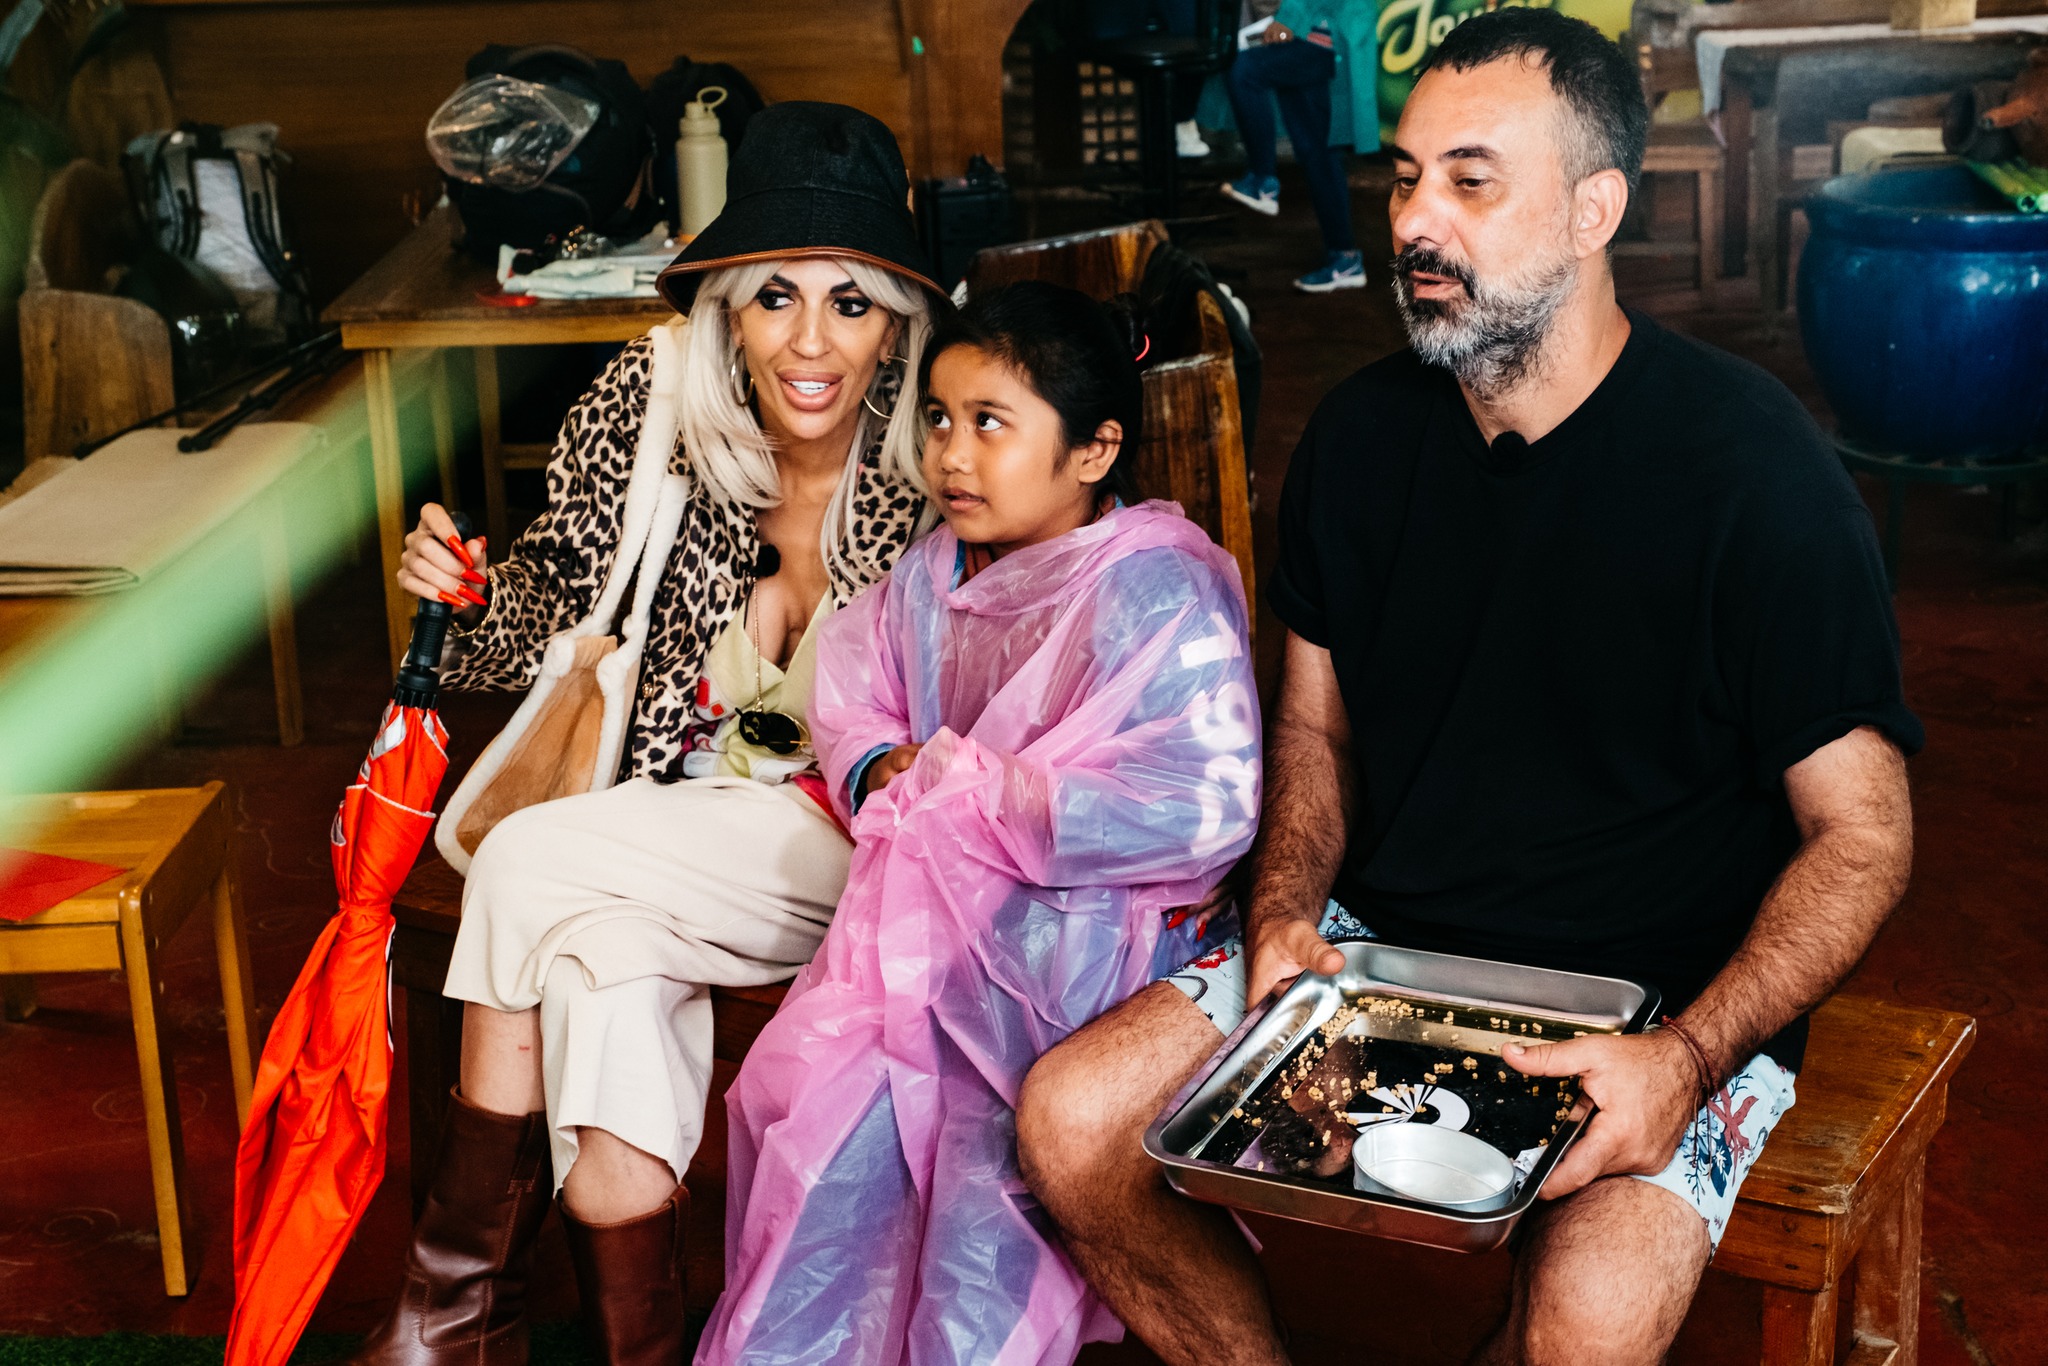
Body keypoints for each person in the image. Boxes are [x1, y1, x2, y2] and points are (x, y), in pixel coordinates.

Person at [1017, 11, 1921, 1364]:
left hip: (1659, 997)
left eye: (1470, 181)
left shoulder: (1754, 473)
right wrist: (1282, 912)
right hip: (1383, 944)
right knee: (1070, 1122)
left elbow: (1864, 832)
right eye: (1403, 178)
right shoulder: (1358, 438)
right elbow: (1315, 725)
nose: (1414, 222)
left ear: (1593, 209)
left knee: (1587, 1324)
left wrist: (1688, 1059)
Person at [350, 103, 945, 1366]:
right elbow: (552, 596)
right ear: (728, 305)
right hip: (662, 829)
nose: (809, 341)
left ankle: (448, 1312)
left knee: (524, 863)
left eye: (849, 303)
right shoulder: (656, 391)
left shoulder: (944, 438)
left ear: (895, 319)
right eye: (774, 296)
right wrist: (463, 592)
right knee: (596, 972)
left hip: (867, 851)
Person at [694, 282, 1262, 1366]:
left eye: (989, 423)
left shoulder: (1154, 590)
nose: (950, 456)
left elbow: (1203, 804)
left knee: (982, 1186)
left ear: (1093, 450)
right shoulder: (931, 574)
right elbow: (856, 694)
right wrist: (880, 766)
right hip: (925, 938)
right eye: (939, 419)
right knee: (826, 1123)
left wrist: (976, 789)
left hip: (1098, 954)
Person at [1220, 0, 1381, 293]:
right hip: (1316, 31)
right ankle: (1344, 258)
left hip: (1322, 35)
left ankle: (1262, 180)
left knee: (1245, 71)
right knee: (1317, 151)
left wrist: (1289, 19)